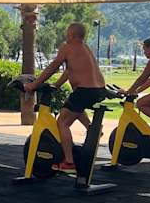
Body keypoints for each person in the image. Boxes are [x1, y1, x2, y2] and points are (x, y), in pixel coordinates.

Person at [24, 22, 106, 173]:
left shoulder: (68, 47)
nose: (65, 36)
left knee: (62, 122)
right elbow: (70, 70)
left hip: (84, 91)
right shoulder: (85, 48)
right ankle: (92, 129)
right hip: (99, 90)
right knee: (74, 106)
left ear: (72, 35)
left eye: (67, 34)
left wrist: (34, 85)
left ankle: (69, 162)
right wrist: (56, 85)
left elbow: (53, 66)